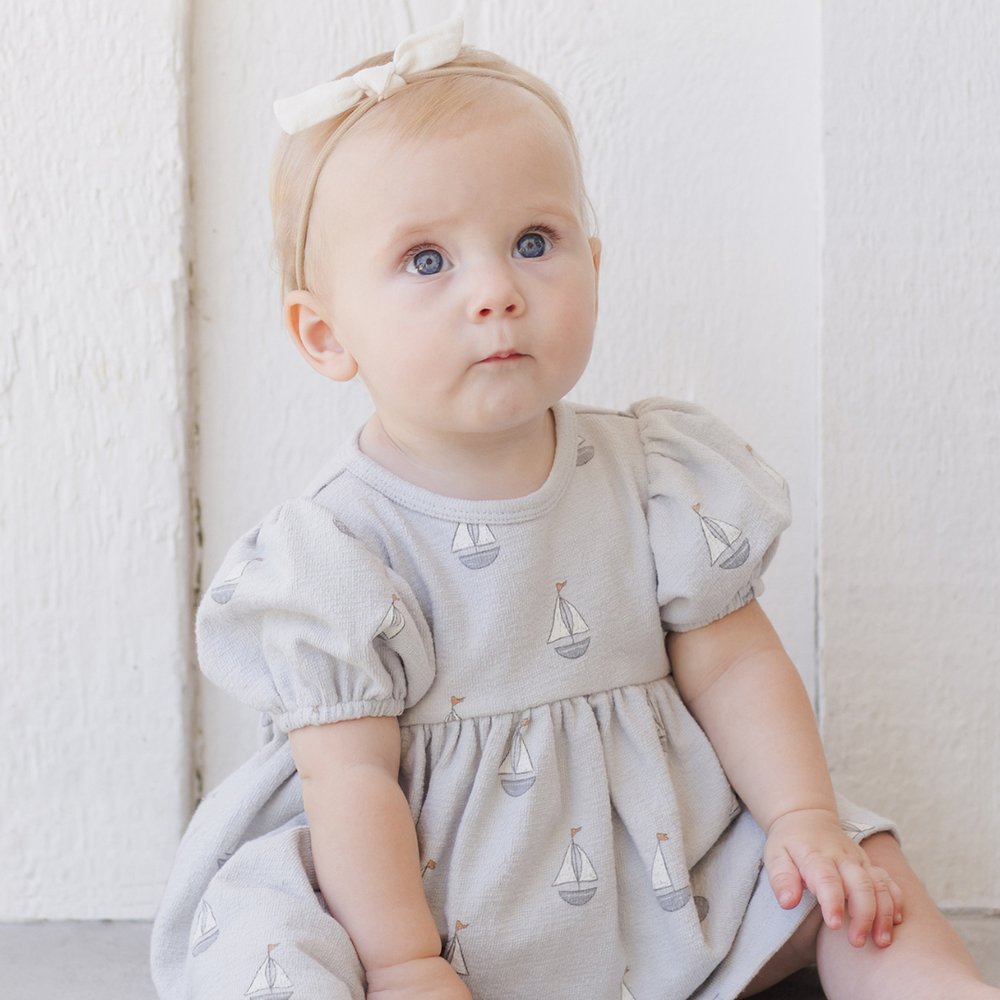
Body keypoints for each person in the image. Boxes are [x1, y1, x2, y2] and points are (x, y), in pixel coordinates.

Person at [150, 19, 997, 1000]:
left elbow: (732, 664)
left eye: (532, 241)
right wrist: (402, 961)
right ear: (325, 332)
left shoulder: (652, 475)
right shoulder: (333, 553)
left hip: (647, 851)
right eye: (427, 261)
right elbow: (351, 785)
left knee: (855, 862)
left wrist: (803, 812)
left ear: (592, 259)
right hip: (408, 878)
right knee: (272, 952)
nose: (497, 291)